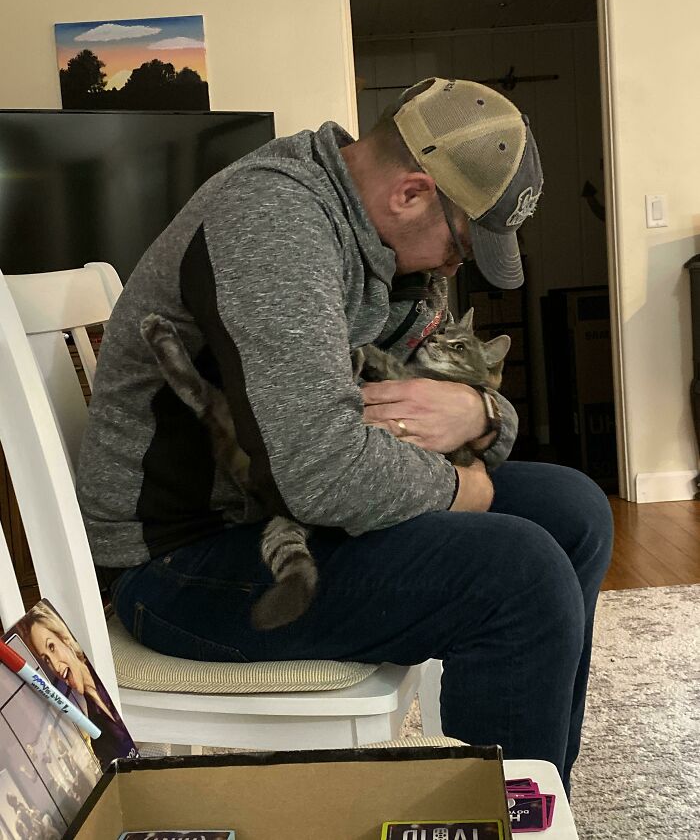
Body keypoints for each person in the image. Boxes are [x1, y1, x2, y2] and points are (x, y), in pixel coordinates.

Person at [76, 77, 613, 794]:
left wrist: (485, 417)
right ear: (413, 192)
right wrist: (465, 486)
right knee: (518, 575)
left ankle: (538, 799)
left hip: (281, 512)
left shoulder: (386, 251)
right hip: (180, 562)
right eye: (462, 244)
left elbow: (460, 390)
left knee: (575, 511)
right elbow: (322, 471)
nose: (459, 266)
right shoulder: (272, 221)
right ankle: (498, 815)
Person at [14, 602, 134, 769]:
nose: (55, 666)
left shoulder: (112, 676)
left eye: (52, 647)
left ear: (66, 640)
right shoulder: (95, 728)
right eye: (46, 659)